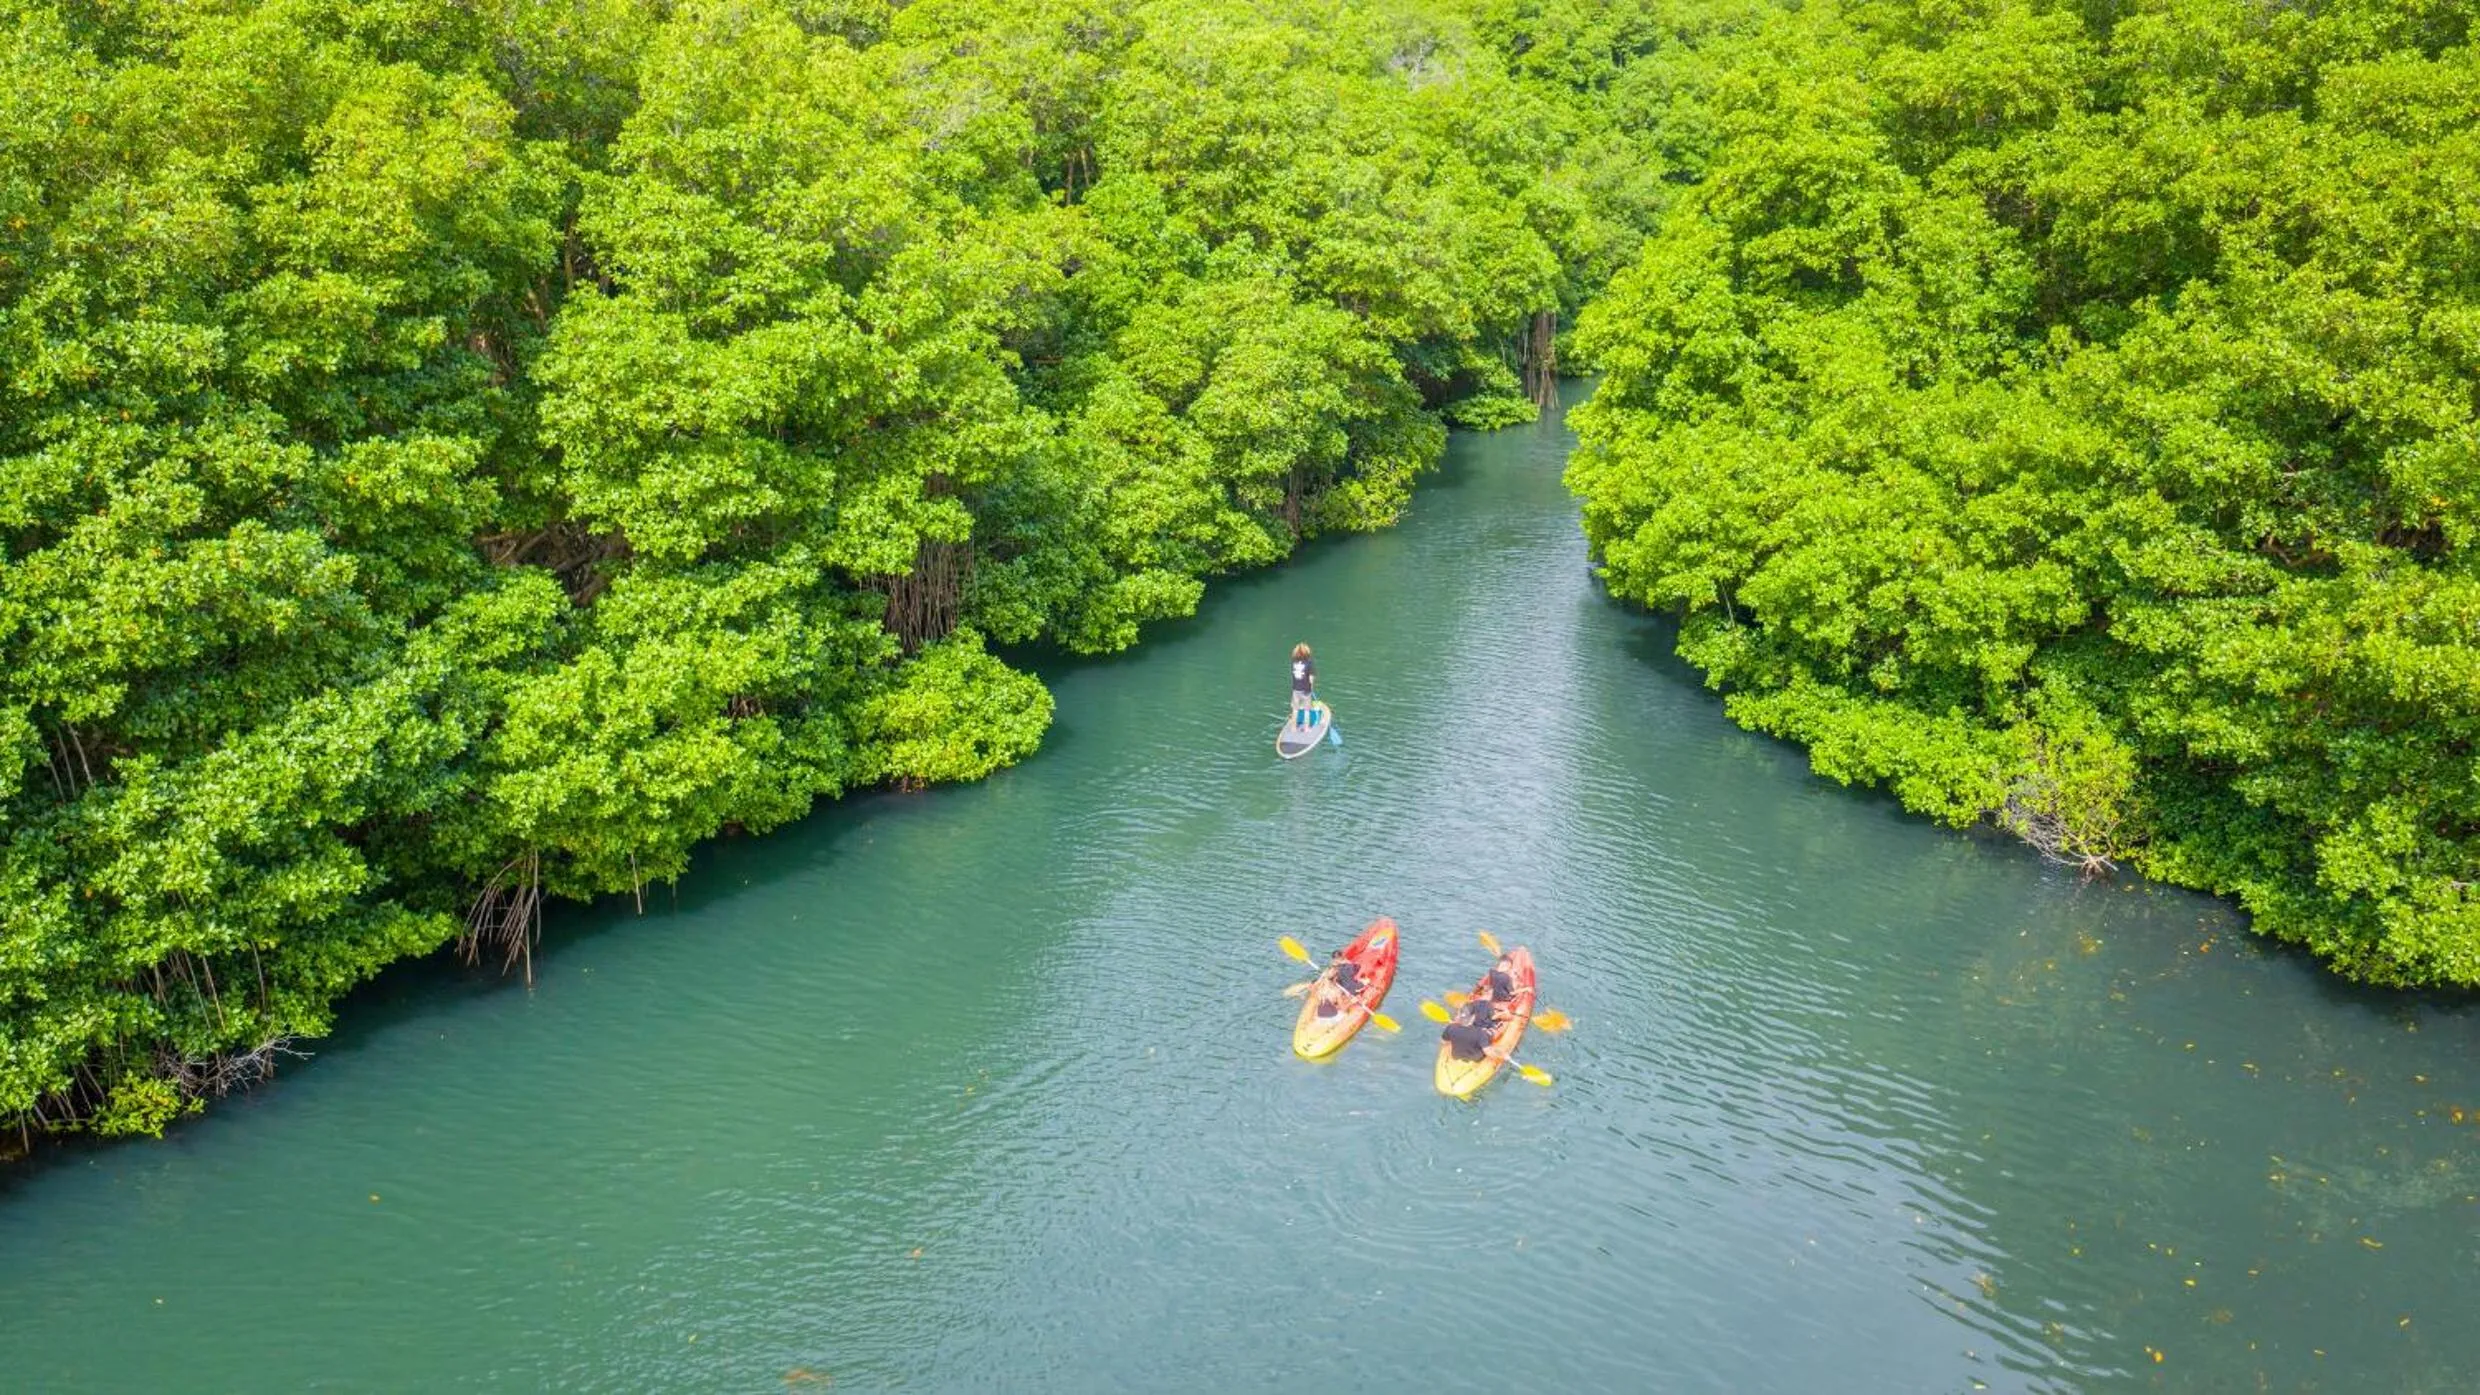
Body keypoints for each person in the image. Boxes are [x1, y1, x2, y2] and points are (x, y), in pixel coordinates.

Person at [1441, 996, 1500, 1062]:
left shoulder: (1450, 1028)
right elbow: (1488, 1053)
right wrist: (1502, 1057)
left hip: (1455, 1056)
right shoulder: (1481, 1033)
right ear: (1473, 1017)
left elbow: (1444, 1042)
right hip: (1476, 1060)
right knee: (1493, 1032)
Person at [1288, 642, 1317, 728]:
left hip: (1296, 689)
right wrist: (1311, 687)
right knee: (1307, 710)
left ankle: (1293, 728)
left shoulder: (1294, 662)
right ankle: (1306, 728)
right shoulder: (1309, 663)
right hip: (1306, 690)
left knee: (1295, 710)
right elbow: (1311, 678)